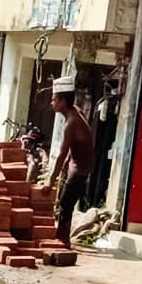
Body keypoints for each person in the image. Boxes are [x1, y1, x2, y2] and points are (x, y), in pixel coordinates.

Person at [48, 79, 94, 247]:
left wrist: (50, 181)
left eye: (54, 99)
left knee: (64, 206)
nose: (52, 103)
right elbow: (72, 148)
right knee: (64, 204)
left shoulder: (71, 122)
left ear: (62, 101)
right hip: (78, 166)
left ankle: (63, 242)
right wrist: (65, 166)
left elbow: (62, 153)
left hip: (79, 169)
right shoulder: (75, 113)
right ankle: (60, 239)